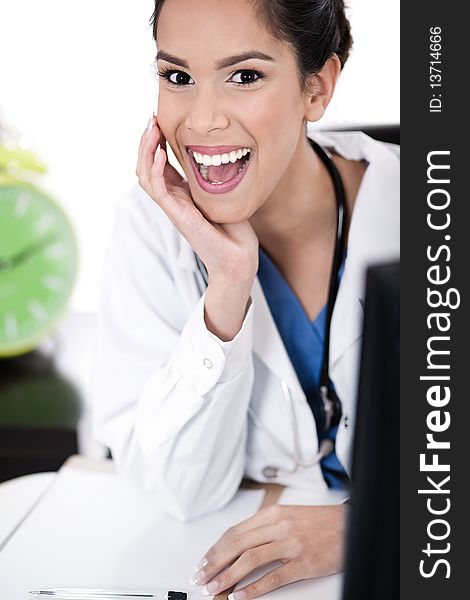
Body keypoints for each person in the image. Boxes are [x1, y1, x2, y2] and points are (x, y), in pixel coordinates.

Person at [92, 0, 399, 597]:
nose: (203, 121)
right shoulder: (150, 226)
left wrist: (364, 527)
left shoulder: (432, 207)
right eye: (177, 77)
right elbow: (182, 492)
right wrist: (227, 286)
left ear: (317, 88)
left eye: (245, 76)